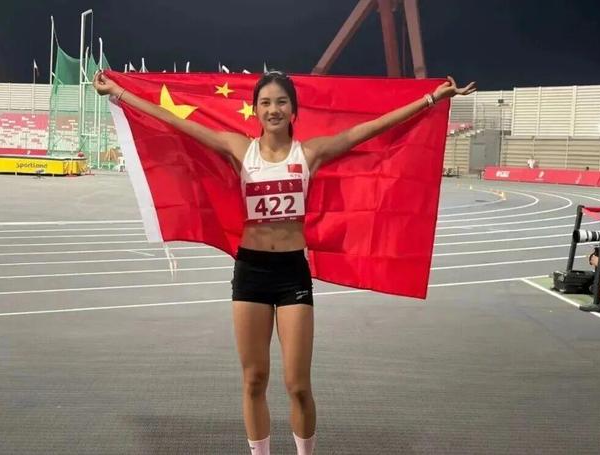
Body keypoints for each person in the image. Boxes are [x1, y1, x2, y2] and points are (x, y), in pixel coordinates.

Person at [94, 69, 475, 454]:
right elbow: (176, 121)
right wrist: (120, 93)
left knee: (298, 385)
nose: (273, 109)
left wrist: (431, 99)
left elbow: (370, 129)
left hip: (292, 273)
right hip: (251, 272)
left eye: (281, 102)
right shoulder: (239, 148)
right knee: (254, 379)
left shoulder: (308, 153)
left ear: (294, 110)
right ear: (256, 110)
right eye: (265, 103)